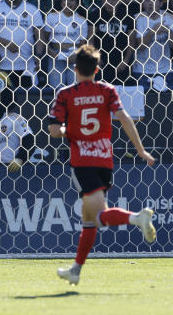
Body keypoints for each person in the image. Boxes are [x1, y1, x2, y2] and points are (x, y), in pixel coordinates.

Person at [48, 45, 157, 285]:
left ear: (75, 69)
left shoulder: (65, 94)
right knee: (89, 220)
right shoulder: (107, 90)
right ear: (97, 69)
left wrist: (69, 129)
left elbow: (55, 130)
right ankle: (76, 270)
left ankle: (136, 218)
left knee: (97, 215)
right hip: (105, 160)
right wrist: (140, 150)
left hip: (82, 161)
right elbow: (125, 118)